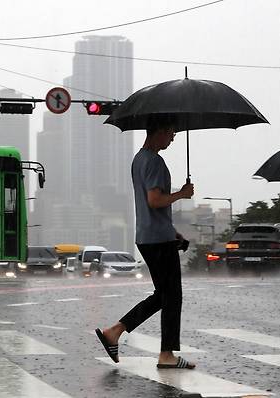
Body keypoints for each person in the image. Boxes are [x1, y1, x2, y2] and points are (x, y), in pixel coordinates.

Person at [96, 115, 196, 369]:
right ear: (157, 131)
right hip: (157, 240)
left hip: (150, 236)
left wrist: (172, 231)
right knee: (172, 297)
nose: (173, 137)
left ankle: (114, 332)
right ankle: (166, 354)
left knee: (163, 296)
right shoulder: (154, 162)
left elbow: (149, 206)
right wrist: (181, 195)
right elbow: (153, 201)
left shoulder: (138, 160)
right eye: (170, 131)